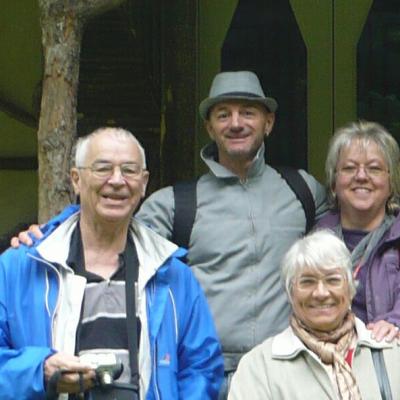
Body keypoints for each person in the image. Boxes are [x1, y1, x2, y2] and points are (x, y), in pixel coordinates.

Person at [11, 71, 327, 398]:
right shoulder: (175, 204)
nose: (236, 123)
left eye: (248, 112)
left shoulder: (303, 191)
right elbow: (107, 223)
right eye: (223, 114)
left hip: (287, 370)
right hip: (213, 377)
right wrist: (44, 237)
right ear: (209, 127)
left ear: (268, 122)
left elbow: (345, 250)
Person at [0, 127, 223, 399]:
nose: (117, 181)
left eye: (129, 170)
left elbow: (202, 368)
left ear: (144, 184)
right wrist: (41, 370)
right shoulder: (20, 267)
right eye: (103, 168)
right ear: (76, 179)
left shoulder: (174, 274)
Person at [228, 229, 400, 400]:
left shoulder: (390, 352)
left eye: (332, 280)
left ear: (350, 289)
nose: (321, 293)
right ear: (290, 292)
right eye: (307, 282)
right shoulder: (259, 367)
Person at [316, 120, 400, 342]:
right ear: (334, 183)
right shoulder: (315, 242)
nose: (361, 176)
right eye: (349, 168)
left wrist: (395, 321)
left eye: (374, 168)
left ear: (391, 183)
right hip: (327, 362)